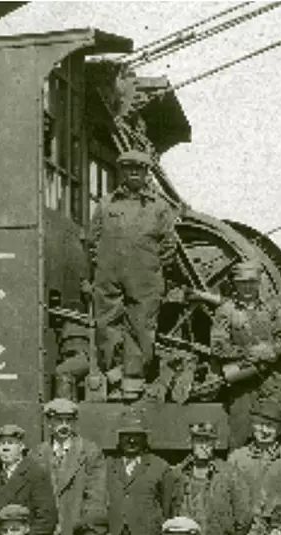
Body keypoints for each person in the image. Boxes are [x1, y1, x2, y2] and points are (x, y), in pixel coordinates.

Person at [88, 150, 181, 399]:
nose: (134, 173)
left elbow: (169, 245)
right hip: (108, 275)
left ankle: (134, 380)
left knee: (141, 326)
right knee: (107, 325)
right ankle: (115, 378)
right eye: (129, 168)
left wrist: (150, 269)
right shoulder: (106, 204)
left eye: (139, 169)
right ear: (122, 171)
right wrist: (104, 266)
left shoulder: (159, 207)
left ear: (145, 172)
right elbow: (92, 240)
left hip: (145, 279)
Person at [33, 398, 107, 535]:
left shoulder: (90, 452)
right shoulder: (37, 454)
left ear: (75, 423)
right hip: (46, 533)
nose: (64, 426)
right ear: (49, 423)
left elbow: (96, 498)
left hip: (75, 532)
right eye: (58, 421)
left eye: (68, 421)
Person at [170, 421, 251, 535]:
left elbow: (244, 514)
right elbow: (169, 509)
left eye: (208, 442)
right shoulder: (177, 474)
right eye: (199, 441)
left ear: (215, 444)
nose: (204, 447)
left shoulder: (229, 474)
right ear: (190, 443)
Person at [210, 262, 281, 445]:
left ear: (259, 282)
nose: (247, 286)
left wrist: (272, 351)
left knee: (274, 433)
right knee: (240, 435)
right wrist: (247, 352)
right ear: (234, 284)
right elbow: (218, 346)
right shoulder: (225, 311)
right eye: (242, 282)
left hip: (272, 382)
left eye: (252, 282)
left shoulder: (273, 307)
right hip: (242, 383)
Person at [227, 397, 281, 535]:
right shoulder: (237, 459)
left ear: (280, 430)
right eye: (260, 424)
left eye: (271, 426)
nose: (264, 430)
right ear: (252, 424)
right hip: (247, 530)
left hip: (280, 529)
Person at [105, 420, 177, 535]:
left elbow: (167, 508)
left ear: (145, 439)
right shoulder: (107, 465)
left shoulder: (160, 467)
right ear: (119, 439)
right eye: (126, 436)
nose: (131, 440)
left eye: (137, 436)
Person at [0, 424, 56, 535]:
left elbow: (46, 518)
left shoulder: (35, 473)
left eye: (10, 443)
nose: (5, 448)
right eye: (1, 444)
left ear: (21, 447)